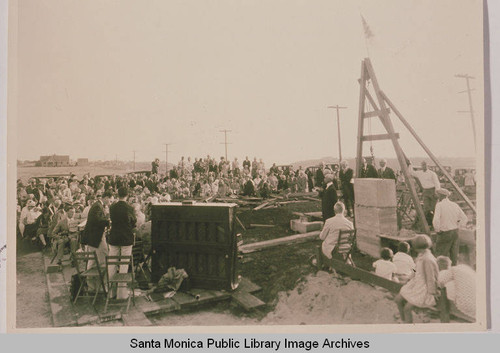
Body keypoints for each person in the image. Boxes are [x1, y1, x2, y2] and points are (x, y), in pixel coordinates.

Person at [394, 234, 439, 323]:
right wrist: (409, 278)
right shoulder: (421, 255)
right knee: (398, 299)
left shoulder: (428, 259)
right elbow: (415, 268)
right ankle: (403, 319)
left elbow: (431, 277)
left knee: (407, 308)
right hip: (415, 283)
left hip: (423, 288)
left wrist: (432, 293)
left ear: (418, 248)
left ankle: (408, 326)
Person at [107, 187, 137, 299]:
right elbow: (133, 222)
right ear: (127, 195)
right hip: (125, 238)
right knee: (124, 265)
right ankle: (121, 294)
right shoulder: (130, 207)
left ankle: (111, 292)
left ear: (117, 194)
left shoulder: (112, 207)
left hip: (114, 237)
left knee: (112, 264)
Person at [432, 188, 468, 266]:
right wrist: (458, 226)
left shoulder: (439, 205)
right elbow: (464, 218)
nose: (437, 196)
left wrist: (437, 230)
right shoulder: (454, 205)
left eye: (437, 195)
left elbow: (436, 220)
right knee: (454, 256)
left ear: (440, 196)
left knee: (440, 255)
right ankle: (453, 272)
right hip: (455, 232)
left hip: (445, 232)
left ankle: (441, 273)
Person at [437, 256, 476, 320]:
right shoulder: (464, 267)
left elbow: (440, 282)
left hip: (466, 304)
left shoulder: (450, 271)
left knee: (447, 286)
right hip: (478, 299)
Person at [409, 161, 440, 226]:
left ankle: (435, 224)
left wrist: (437, 191)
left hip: (432, 191)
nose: (424, 166)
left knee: (434, 208)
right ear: (421, 166)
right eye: (422, 165)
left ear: (427, 166)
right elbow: (411, 173)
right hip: (425, 191)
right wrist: (410, 165)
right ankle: (428, 223)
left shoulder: (432, 173)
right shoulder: (419, 173)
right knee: (426, 208)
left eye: (425, 165)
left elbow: (436, 183)